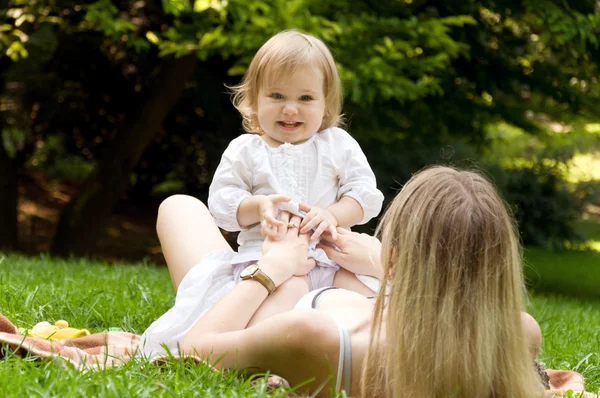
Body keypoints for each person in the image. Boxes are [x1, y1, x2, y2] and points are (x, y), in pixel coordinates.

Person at [141, 166, 546, 397]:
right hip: (359, 285)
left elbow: (191, 349)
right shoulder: (516, 334)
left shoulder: (316, 337)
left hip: (253, 304)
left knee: (178, 208)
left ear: (404, 251)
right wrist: (378, 260)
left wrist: (273, 268)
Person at [207, 29, 385, 322]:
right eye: (277, 96)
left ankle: (358, 344)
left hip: (333, 258)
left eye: (305, 97)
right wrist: (259, 206)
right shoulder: (247, 150)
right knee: (286, 297)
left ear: (324, 103)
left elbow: (364, 196)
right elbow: (222, 204)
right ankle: (262, 350)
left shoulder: (336, 144)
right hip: (270, 260)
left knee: (372, 302)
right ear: (254, 99)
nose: (290, 109)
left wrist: (332, 215)